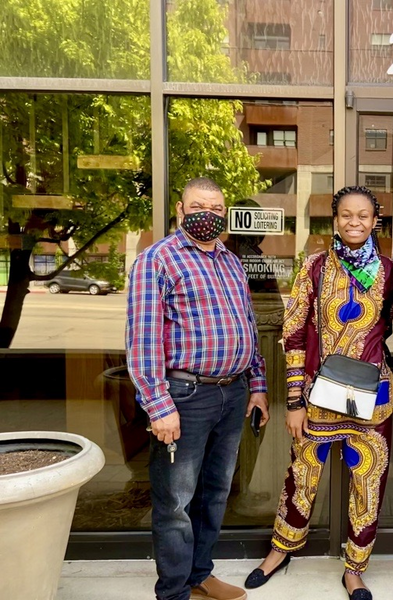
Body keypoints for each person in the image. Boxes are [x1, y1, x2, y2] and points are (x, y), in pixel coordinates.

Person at [245, 186, 393, 600]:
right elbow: (293, 336)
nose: (354, 222)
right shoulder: (313, 267)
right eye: (346, 215)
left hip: (373, 397)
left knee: (369, 482)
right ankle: (280, 550)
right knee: (302, 476)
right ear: (334, 220)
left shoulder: (390, 269)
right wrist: (294, 401)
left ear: (374, 221)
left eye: (363, 216)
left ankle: (355, 569)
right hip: (318, 398)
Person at [126, 177, 270, 600]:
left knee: (215, 493)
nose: (208, 215)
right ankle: (174, 592)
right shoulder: (157, 261)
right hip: (184, 397)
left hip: (232, 394)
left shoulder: (229, 260)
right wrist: (158, 405)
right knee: (175, 503)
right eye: (198, 206)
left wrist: (257, 384)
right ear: (180, 209)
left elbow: (248, 325)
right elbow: (143, 339)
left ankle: (199, 575)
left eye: (217, 208)